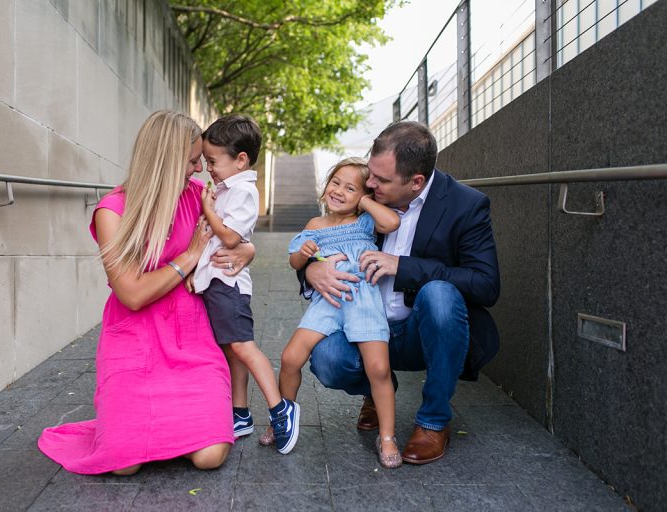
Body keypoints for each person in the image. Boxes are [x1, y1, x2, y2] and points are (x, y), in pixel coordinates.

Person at [38, 110, 253, 475]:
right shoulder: (113, 210)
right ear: (167, 162)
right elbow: (132, 294)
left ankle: (170, 430)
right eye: (191, 160)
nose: (199, 168)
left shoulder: (202, 196)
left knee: (211, 456)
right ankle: (151, 430)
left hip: (192, 338)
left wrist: (248, 251)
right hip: (135, 339)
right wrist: (189, 257)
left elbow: (237, 235)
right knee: (124, 463)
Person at [301, 121, 500, 465]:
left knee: (439, 294)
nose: (369, 184)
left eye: (381, 180)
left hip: (420, 332)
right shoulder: (367, 196)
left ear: (416, 182)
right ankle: (377, 394)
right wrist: (310, 269)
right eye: (371, 173)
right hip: (364, 327)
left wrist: (404, 266)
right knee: (327, 359)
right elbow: (322, 242)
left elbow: (485, 284)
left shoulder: (466, 205)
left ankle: (433, 421)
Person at [273, 157, 403, 467]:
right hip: (328, 301)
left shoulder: (364, 222)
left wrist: (367, 201)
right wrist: (305, 256)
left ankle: (387, 436)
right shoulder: (314, 225)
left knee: (379, 369)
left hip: (363, 300)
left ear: (363, 195)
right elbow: (294, 261)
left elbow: (392, 223)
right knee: (291, 357)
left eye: (350, 188)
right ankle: (281, 418)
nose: (339, 191)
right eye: (335, 183)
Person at [188, 114, 300, 455]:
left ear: (240, 160)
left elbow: (230, 236)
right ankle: (240, 414)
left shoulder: (243, 191)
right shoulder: (227, 187)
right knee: (231, 349)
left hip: (229, 284)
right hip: (217, 281)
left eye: (212, 161)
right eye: (204, 161)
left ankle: (281, 408)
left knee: (243, 347)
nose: (207, 168)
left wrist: (208, 209)